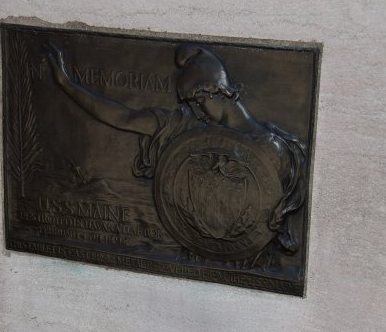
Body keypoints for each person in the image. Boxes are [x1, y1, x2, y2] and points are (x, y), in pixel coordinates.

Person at [44, 41, 306, 255]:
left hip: (246, 259)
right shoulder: (185, 128)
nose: (196, 110)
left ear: (217, 91)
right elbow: (124, 117)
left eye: (199, 100)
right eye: (193, 103)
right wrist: (68, 85)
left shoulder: (273, 149)